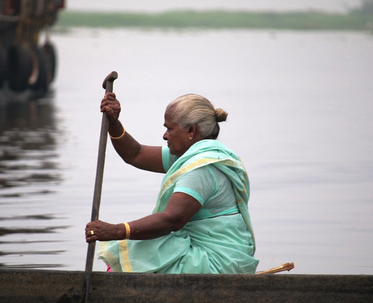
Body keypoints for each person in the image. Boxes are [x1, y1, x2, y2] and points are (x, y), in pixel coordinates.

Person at [85, 92, 258, 274]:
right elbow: (135, 154)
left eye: (170, 129)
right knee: (145, 241)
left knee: (141, 246)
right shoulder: (191, 156)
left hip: (218, 263)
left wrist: (117, 231)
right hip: (224, 257)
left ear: (191, 131)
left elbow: (172, 220)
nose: (165, 135)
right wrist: (114, 123)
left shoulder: (200, 168)